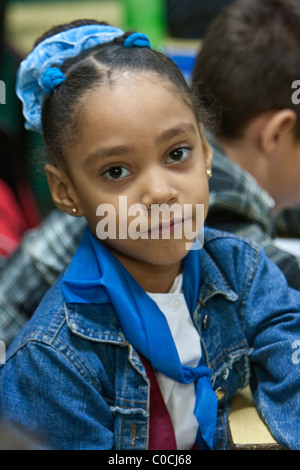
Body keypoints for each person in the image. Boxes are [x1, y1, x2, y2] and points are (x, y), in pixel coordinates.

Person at [0, 19, 300, 451]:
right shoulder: (50, 362)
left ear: (206, 152)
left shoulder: (241, 270)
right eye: (116, 171)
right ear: (66, 191)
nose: (160, 192)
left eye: (177, 153)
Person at [192, 0, 300, 290]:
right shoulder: (208, 213)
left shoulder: (204, 153)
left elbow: (277, 206)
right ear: (276, 134)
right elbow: (282, 280)